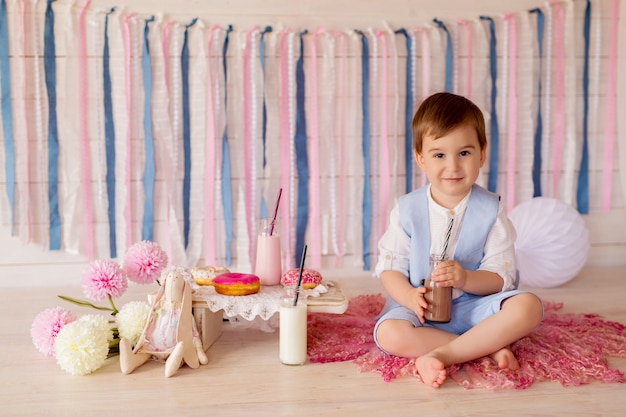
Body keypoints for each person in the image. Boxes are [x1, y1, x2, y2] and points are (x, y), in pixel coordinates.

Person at [373, 92, 543, 388]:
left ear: (482, 154)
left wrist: (465, 279)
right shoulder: (407, 209)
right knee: (389, 333)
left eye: (464, 153)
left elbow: (501, 278)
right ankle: (485, 347)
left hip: (473, 307)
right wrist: (409, 298)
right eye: (439, 155)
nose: (452, 166)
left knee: (528, 305)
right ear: (420, 158)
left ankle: (442, 353)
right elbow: (390, 269)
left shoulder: (491, 209)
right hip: (421, 309)